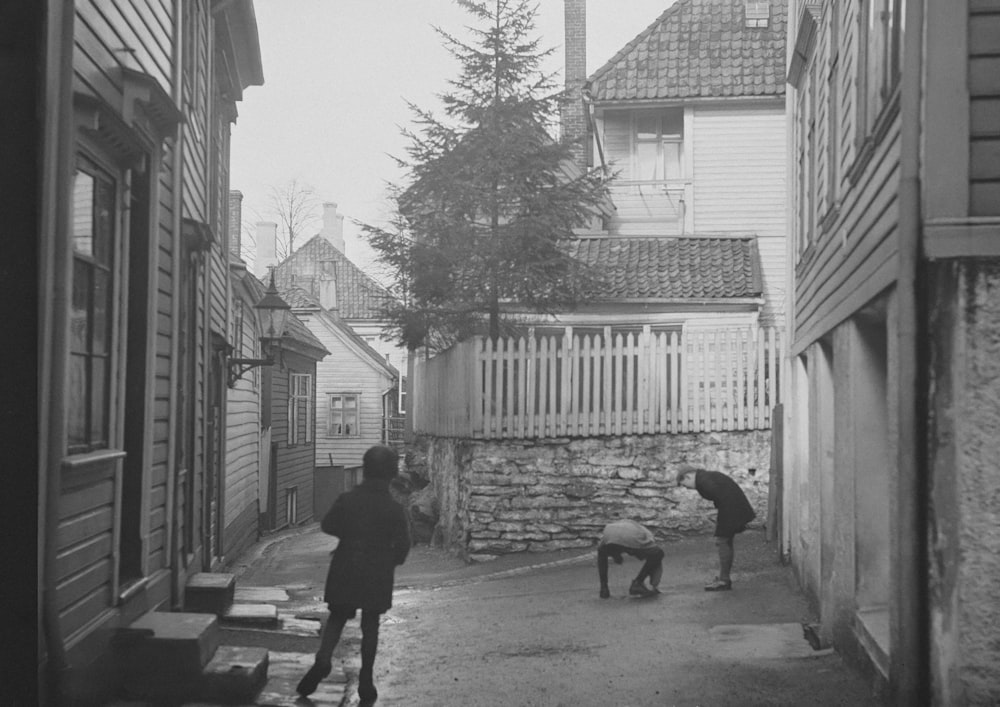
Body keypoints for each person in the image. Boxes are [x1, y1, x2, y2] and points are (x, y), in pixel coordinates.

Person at [297, 445, 411, 703]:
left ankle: (323, 659)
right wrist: (390, 561)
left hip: (346, 564)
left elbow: (328, 524)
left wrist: (349, 537)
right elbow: (404, 545)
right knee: (370, 626)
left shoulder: (347, 500)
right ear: (391, 474)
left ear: (365, 470)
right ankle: (366, 678)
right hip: (377, 572)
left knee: (337, 617)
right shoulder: (394, 509)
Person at [676, 465, 756, 591]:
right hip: (733, 507)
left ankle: (724, 581)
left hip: (731, 509)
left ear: (688, 476)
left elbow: (722, 497)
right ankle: (724, 579)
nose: (687, 488)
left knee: (722, 541)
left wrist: (726, 522)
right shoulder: (705, 477)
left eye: (685, 484)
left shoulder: (703, 481)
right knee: (725, 541)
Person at [597, 519, 665, 599]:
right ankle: (638, 583)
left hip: (609, 532)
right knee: (658, 554)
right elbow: (656, 560)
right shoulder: (648, 536)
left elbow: (608, 545)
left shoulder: (629, 525)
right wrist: (655, 585)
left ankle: (604, 589)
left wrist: (615, 555)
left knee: (601, 553)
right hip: (630, 536)